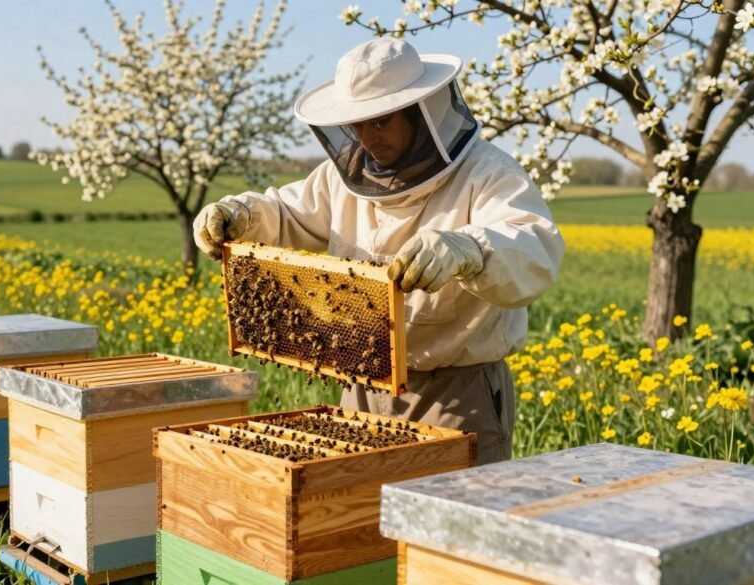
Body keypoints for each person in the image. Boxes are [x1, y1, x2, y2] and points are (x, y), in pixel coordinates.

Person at [193, 38, 564, 465]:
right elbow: (287, 213)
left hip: (455, 393)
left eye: (381, 123)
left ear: (422, 114)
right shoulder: (342, 177)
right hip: (362, 385)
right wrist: (242, 213)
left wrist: (470, 247)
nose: (367, 139)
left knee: (450, 526)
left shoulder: (488, 174)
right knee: (364, 523)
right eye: (358, 125)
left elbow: (535, 249)